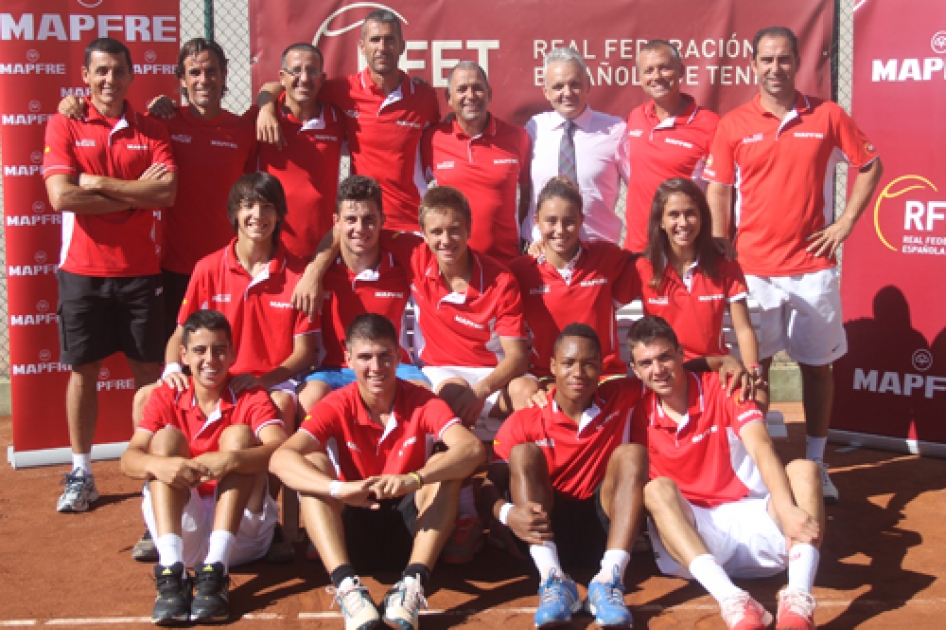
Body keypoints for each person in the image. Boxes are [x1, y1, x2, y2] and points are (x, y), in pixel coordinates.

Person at [301, 185, 536, 563]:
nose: (446, 240)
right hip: (445, 370)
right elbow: (349, 229)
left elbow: (518, 357)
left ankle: (524, 509)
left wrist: (484, 390)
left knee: (529, 395)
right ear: (423, 235)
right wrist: (314, 268)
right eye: (437, 232)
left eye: (455, 229)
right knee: (445, 397)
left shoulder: (500, 278)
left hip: (490, 375)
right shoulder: (414, 254)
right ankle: (465, 515)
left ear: (469, 228)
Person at [704, 26, 883, 502]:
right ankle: (761, 468)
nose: (775, 68)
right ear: (754, 64)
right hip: (754, 270)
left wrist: (845, 222)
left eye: (784, 59)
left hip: (812, 269)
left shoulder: (827, 114)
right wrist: (721, 240)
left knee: (817, 369)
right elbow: (718, 188)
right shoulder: (733, 123)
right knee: (754, 369)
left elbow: (870, 166)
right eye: (766, 60)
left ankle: (817, 463)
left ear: (797, 61)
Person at [270, 314, 485, 630]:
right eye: (365, 357)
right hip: (353, 522)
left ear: (399, 355)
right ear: (348, 358)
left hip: (413, 527)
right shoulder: (336, 403)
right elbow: (280, 459)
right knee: (313, 464)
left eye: (385, 355)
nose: (376, 366)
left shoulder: (422, 400)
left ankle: (413, 583)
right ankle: (347, 588)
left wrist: (413, 479)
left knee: (446, 468)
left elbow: (472, 449)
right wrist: (339, 489)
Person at [43, 37, 178, 513]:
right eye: (100, 71)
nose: (109, 80)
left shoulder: (151, 129)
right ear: (86, 75)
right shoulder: (65, 121)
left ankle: (149, 472)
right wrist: (136, 193)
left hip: (140, 272)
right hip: (81, 271)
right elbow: (61, 197)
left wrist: (98, 184)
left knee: (149, 374)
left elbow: (166, 195)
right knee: (84, 371)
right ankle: (82, 472)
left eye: (118, 71)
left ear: (131, 76)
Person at [628, 316, 823, 630]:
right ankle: (735, 602)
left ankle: (798, 601)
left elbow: (760, 445)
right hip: (695, 540)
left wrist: (786, 509)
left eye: (665, 357)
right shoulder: (635, 410)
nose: (657, 370)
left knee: (804, 470)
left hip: (760, 522)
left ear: (681, 355)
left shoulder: (725, 386)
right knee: (655, 490)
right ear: (635, 370)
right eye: (646, 363)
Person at [56, 38, 258, 340]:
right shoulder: (161, 123)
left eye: (211, 71)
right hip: (172, 267)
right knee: (175, 360)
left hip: (229, 265)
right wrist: (70, 103)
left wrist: (97, 182)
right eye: (194, 73)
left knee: (228, 355)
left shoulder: (244, 129)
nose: (204, 80)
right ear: (182, 79)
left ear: (224, 74)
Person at [121, 310, 289, 625]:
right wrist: (162, 466)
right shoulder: (167, 394)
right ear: (183, 355)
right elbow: (129, 459)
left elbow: (281, 449)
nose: (210, 359)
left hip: (242, 535)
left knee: (238, 437)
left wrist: (232, 460)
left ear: (233, 353)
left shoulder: (249, 393)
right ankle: (171, 573)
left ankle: (216, 573)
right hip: (186, 534)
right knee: (165, 443)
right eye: (199, 350)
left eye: (219, 349)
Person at [483, 324, 648, 628]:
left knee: (632, 454)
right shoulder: (526, 418)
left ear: (601, 368)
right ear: (553, 367)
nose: (579, 372)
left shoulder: (620, 396)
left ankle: (609, 580)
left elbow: (673, 370)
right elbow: (487, 484)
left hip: (604, 530)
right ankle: (553, 579)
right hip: (545, 529)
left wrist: (721, 362)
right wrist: (507, 515)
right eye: (569, 363)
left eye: (589, 364)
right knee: (523, 453)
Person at [257, 10, 440, 233]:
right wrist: (266, 108)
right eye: (375, 40)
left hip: (412, 223)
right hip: (363, 223)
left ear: (402, 46)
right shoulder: (343, 90)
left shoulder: (424, 96)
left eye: (389, 39)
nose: (382, 47)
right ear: (362, 47)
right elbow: (283, 85)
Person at [297, 175, 430, 414]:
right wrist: (314, 269)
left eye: (369, 220)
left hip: (395, 367)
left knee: (424, 399)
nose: (360, 228)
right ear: (336, 222)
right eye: (351, 219)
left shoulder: (403, 262)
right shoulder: (321, 274)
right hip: (335, 370)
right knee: (308, 399)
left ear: (383, 221)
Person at [637, 178, 764, 406]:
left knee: (758, 397)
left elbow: (743, 328)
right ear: (661, 222)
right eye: (674, 215)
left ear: (702, 217)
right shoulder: (643, 268)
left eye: (691, 213)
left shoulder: (723, 263)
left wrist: (753, 369)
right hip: (664, 374)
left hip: (714, 368)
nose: (683, 222)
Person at [509, 176, 640, 383]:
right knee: (521, 391)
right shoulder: (521, 270)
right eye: (551, 221)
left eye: (569, 222)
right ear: (537, 221)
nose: (560, 230)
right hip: (547, 378)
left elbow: (648, 266)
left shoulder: (605, 257)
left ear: (581, 220)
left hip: (604, 376)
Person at [421, 61, 531, 264]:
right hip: (454, 265)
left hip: (506, 264)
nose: (470, 96)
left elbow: (528, 198)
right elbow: (415, 191)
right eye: (462, 89)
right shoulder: (432, 139)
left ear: (489, 94)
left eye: (477, 88)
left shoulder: (517, 137)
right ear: (449, 98)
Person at [523, 47, 629, 245]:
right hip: (543, 253)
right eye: (558, 86)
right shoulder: (534, 128)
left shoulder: (616, 130)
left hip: (598, 251)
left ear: (588, 85)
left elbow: (640, 189)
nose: (567, 93)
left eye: (575, 84)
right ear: (546, 92)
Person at [623, 40, 719, 253]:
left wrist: (717, 236)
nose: (656, 76)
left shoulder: (710, 125)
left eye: (664, 67)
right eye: (649, 70)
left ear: (681, 71)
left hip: (684, 250)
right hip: (638, 250)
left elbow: (719, 189)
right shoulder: (635, 117)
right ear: (640, 78)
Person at [256, 43, 345, 259]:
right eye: (296, 70)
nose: (304, 78)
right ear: (282, 77)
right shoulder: (260, 120)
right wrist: (266, 107)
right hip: (270, 251)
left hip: (322, 251)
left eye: (312, 71)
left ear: (322, 79)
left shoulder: (338, 120)